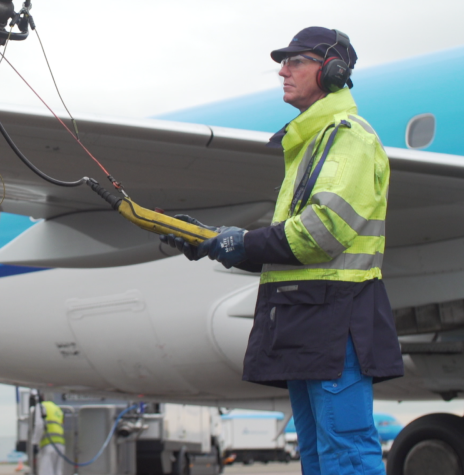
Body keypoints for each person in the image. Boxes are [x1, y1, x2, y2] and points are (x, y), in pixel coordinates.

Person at [159, 27, 403, 474]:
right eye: (283, 62)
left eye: (296, 61)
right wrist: (216, 243)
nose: (282, 70)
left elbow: (319, 233)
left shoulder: (348, 138)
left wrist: (237, 242)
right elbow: (291, 240)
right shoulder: (311, 141)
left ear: (332, 72)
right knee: (317, 454)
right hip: (306, 316)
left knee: (345, 450)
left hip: (337, 318)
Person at [31, 398, 65, 475]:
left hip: (48, 445)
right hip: (60, 444)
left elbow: (39, 425)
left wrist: (35, 442)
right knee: (58, 472)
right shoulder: (57, 408)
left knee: (46, 472)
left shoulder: (41, 406)